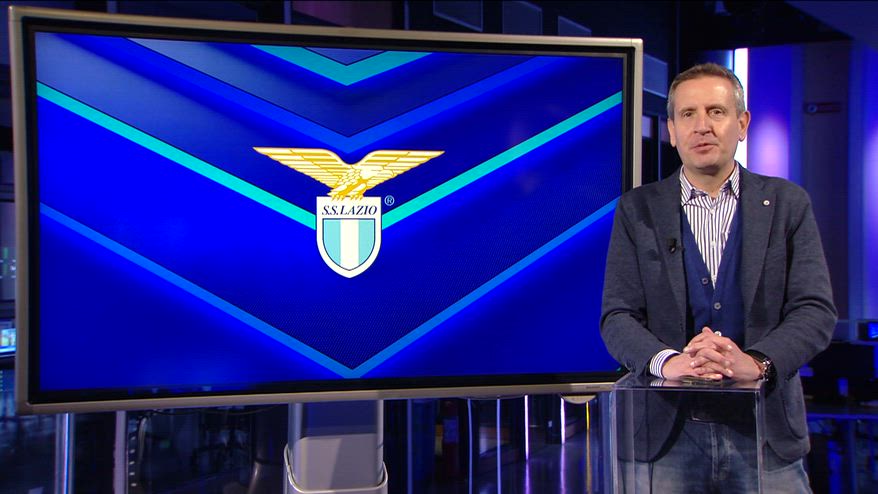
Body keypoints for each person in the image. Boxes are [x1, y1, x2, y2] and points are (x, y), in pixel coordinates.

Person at [600, 62, 837, 492]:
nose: (702, 126)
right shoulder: (637, 210)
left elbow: (815, 311)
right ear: (672, 130)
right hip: (663, 436)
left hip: (765, 434)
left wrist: (758, 362)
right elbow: (617, 316)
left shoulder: (788, 204)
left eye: (716, 111)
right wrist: (668, 362)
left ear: (741, 124)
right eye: (688, 114)